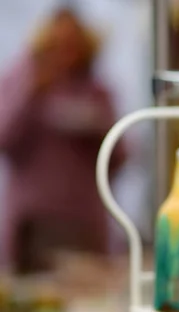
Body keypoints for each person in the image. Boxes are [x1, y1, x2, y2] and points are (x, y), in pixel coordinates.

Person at [0, 6, 127, 274]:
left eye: (72, 45)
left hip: (84, 226)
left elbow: (121, 156)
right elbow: (5, 138)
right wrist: (32, 91)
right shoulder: (20, 81)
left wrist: (98, 128)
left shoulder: (97, 91)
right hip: (32, 225)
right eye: (58, 44)